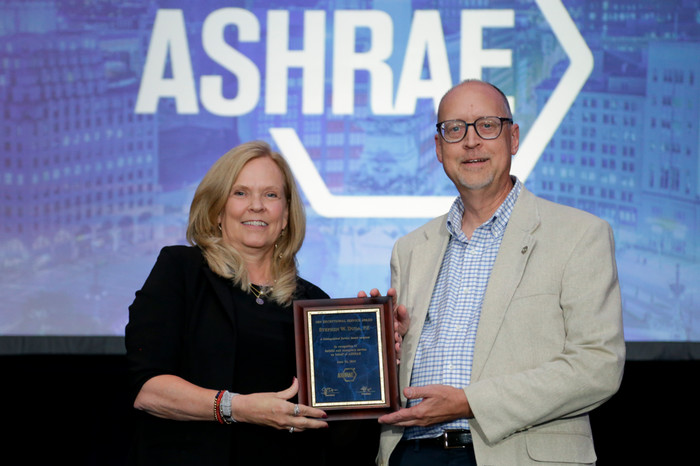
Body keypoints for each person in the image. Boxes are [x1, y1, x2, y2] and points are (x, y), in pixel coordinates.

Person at [372, 80, 626, 465]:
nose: (471, 141)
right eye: (454, 129)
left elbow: (598, 366)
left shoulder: (579, 235)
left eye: (487, 125)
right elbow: (395, 373)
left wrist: (470, 403)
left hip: (517, 454)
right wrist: (379, 347)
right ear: (439, 149)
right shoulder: (410, 249)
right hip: (413, 452)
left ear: (513, 138)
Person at [125, 141, 376, 465]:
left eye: (270, 195)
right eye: (240, 193)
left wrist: (375, 357)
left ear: (285, 216)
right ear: (217, 209)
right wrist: (236, 408)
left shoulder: (314, 303)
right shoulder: (181, 270)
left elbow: (338, 429)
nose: (256, 206)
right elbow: (148, 390)